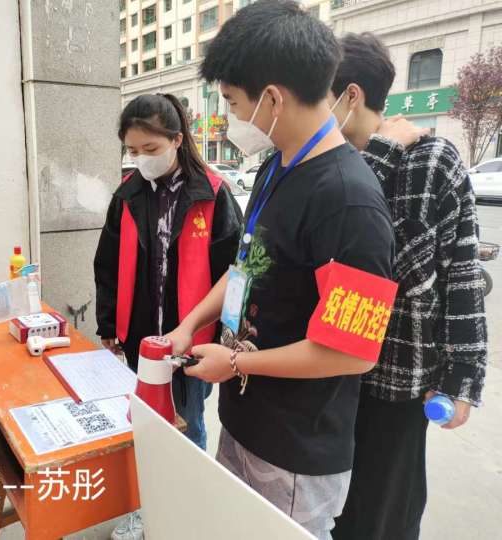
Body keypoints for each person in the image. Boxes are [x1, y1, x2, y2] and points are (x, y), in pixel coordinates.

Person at [165, 2, 397, 538]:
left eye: (231, 101)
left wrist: (238, 363)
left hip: (296, 450)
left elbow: (354, 351)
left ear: (272, 98)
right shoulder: (277, 166)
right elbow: (247, 265)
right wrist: (190, 324)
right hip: (246, 421)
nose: (229, 117)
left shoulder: (348, 200)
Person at [328, 33, 488, 540]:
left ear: (350, 95)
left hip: (399, 381)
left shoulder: (433, 161)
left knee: (384, 517)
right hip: (327, 374)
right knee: (329, 513)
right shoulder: (325, 162)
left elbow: (461, 275)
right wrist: (378, 152)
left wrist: (462, 377)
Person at [94, 93, 242, 540]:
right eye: (132, 150)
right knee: (145, 426)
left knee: (187, 424)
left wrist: (228, 341)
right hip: (142, 337)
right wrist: (108, 326)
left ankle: (184, 515)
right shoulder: (127, 195)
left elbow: (236, 276)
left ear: (177, 140)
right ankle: (149, 507)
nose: (141, 159)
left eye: (151, 149)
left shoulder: (212, 194)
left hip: (193, 342)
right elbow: (107, 263)